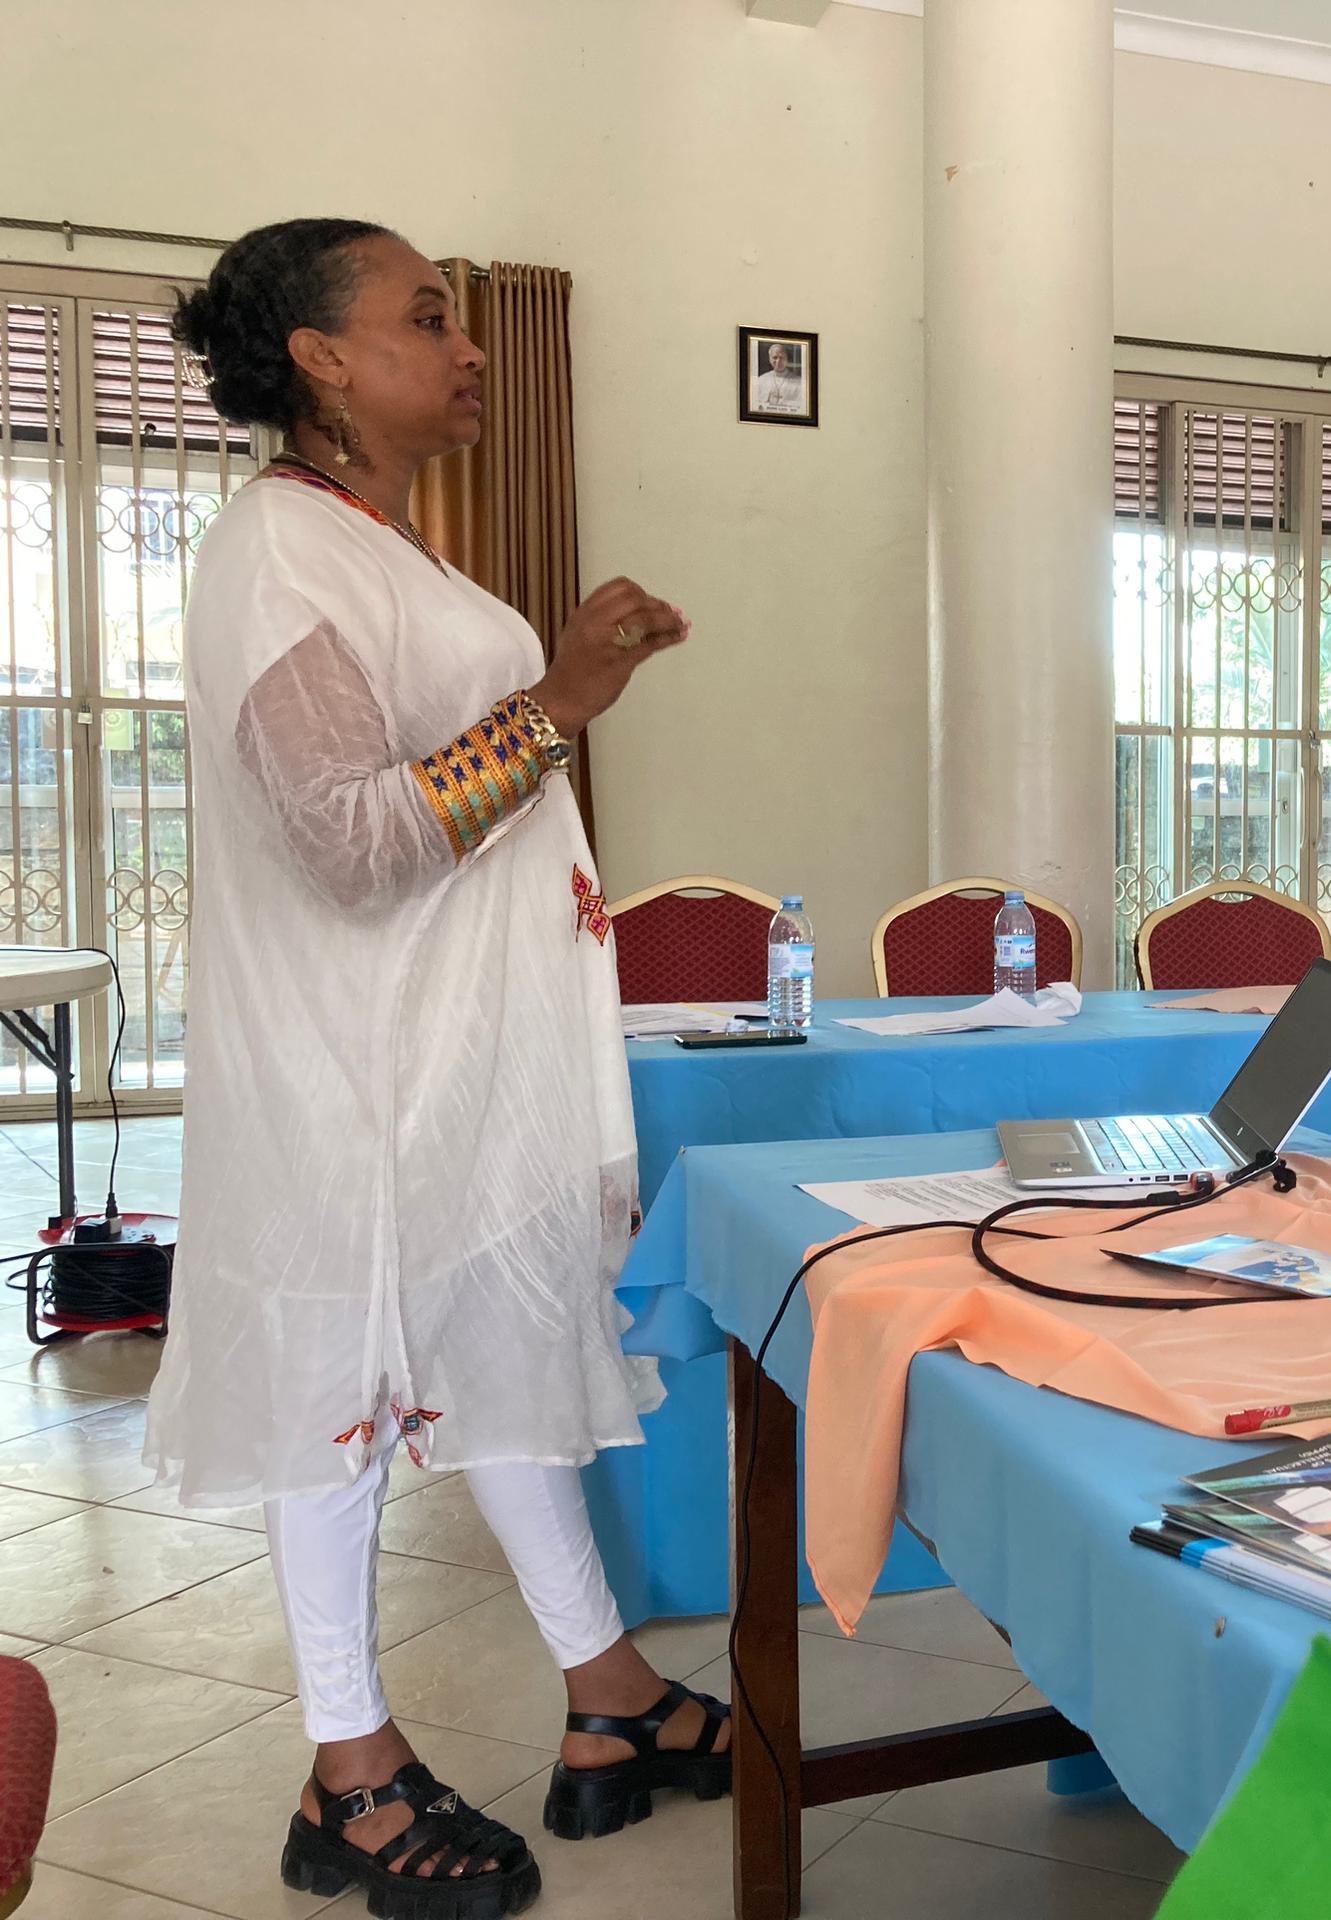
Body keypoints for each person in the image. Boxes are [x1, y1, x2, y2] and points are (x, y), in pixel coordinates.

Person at [149, 218, 720, 1917]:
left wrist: (559, 685)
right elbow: (352, 841)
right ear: (321, 358)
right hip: (353, 1079)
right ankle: (349, 1770)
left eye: (464, 321)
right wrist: (564, 699)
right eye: (424, 319)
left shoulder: (388, 549)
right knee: (335, 1391)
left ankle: (608, 1690)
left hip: (458, 1071)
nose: (467, 349)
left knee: (503, 1351)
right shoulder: (277, 550)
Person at [752, 339, 802, 413]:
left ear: (787, 359)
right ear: (769, 359)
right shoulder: (761, 380)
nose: (778, 361)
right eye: (775, 357)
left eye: (781, 357)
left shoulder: (799, 382)